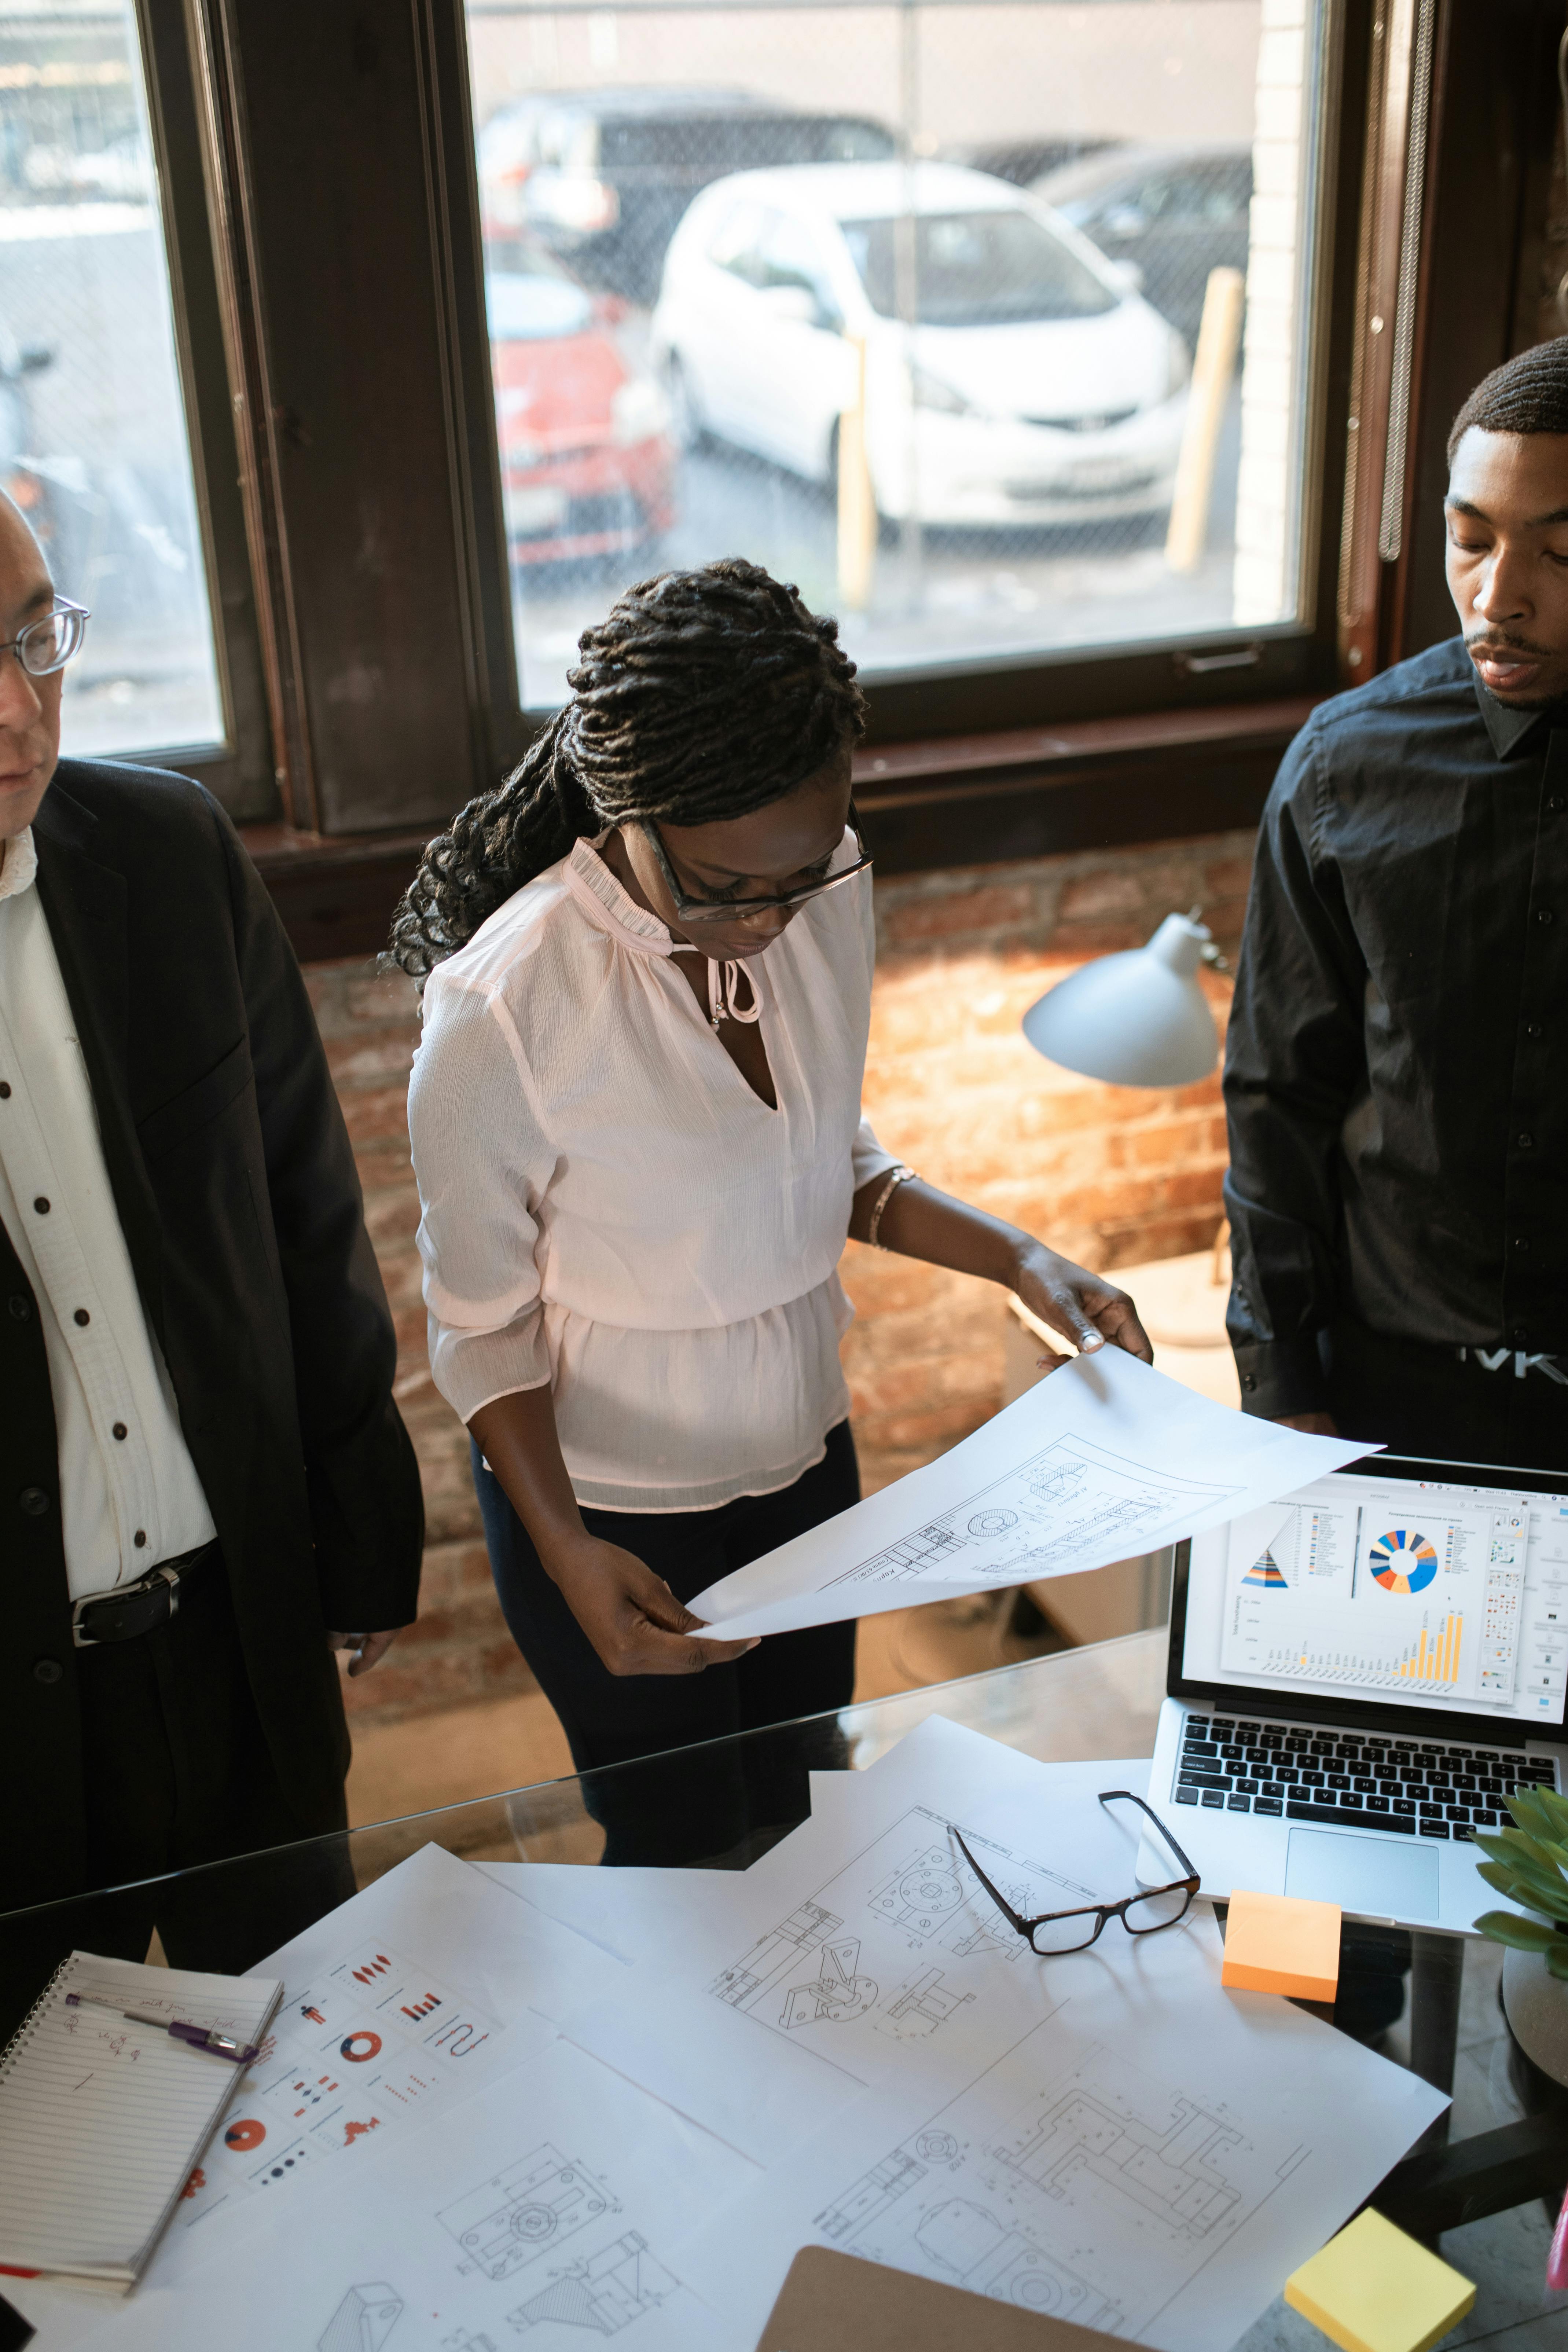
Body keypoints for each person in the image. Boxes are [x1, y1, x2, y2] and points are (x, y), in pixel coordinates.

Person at [397, 559, 1151, 1810]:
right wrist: (570, 1553)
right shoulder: (505, 1008)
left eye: (802, 879)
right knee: (679, 1852)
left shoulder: (823, 888)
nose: (771, 920)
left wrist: (1022, 1259)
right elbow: (480, 1330)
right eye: (726, 889)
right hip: (612, 1511)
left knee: (810, 1801)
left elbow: (829, 1165)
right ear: (626, 813)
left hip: (806, 1463)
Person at [0, 488, 424, 1988]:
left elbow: (309, 1212)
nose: (16, 708)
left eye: (34, 634)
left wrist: (361, 1534)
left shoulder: (169, 852)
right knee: (57, 2152)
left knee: (308, 2066)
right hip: (13, 1710)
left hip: (235, 1632)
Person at [1224, 337, 1568, 1471]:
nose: (1497, 597)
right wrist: (1284, 1387)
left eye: (1562, 555)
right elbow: (1280, 1095)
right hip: (1396, 1385)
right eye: (1469, 541)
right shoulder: (1345, 764)